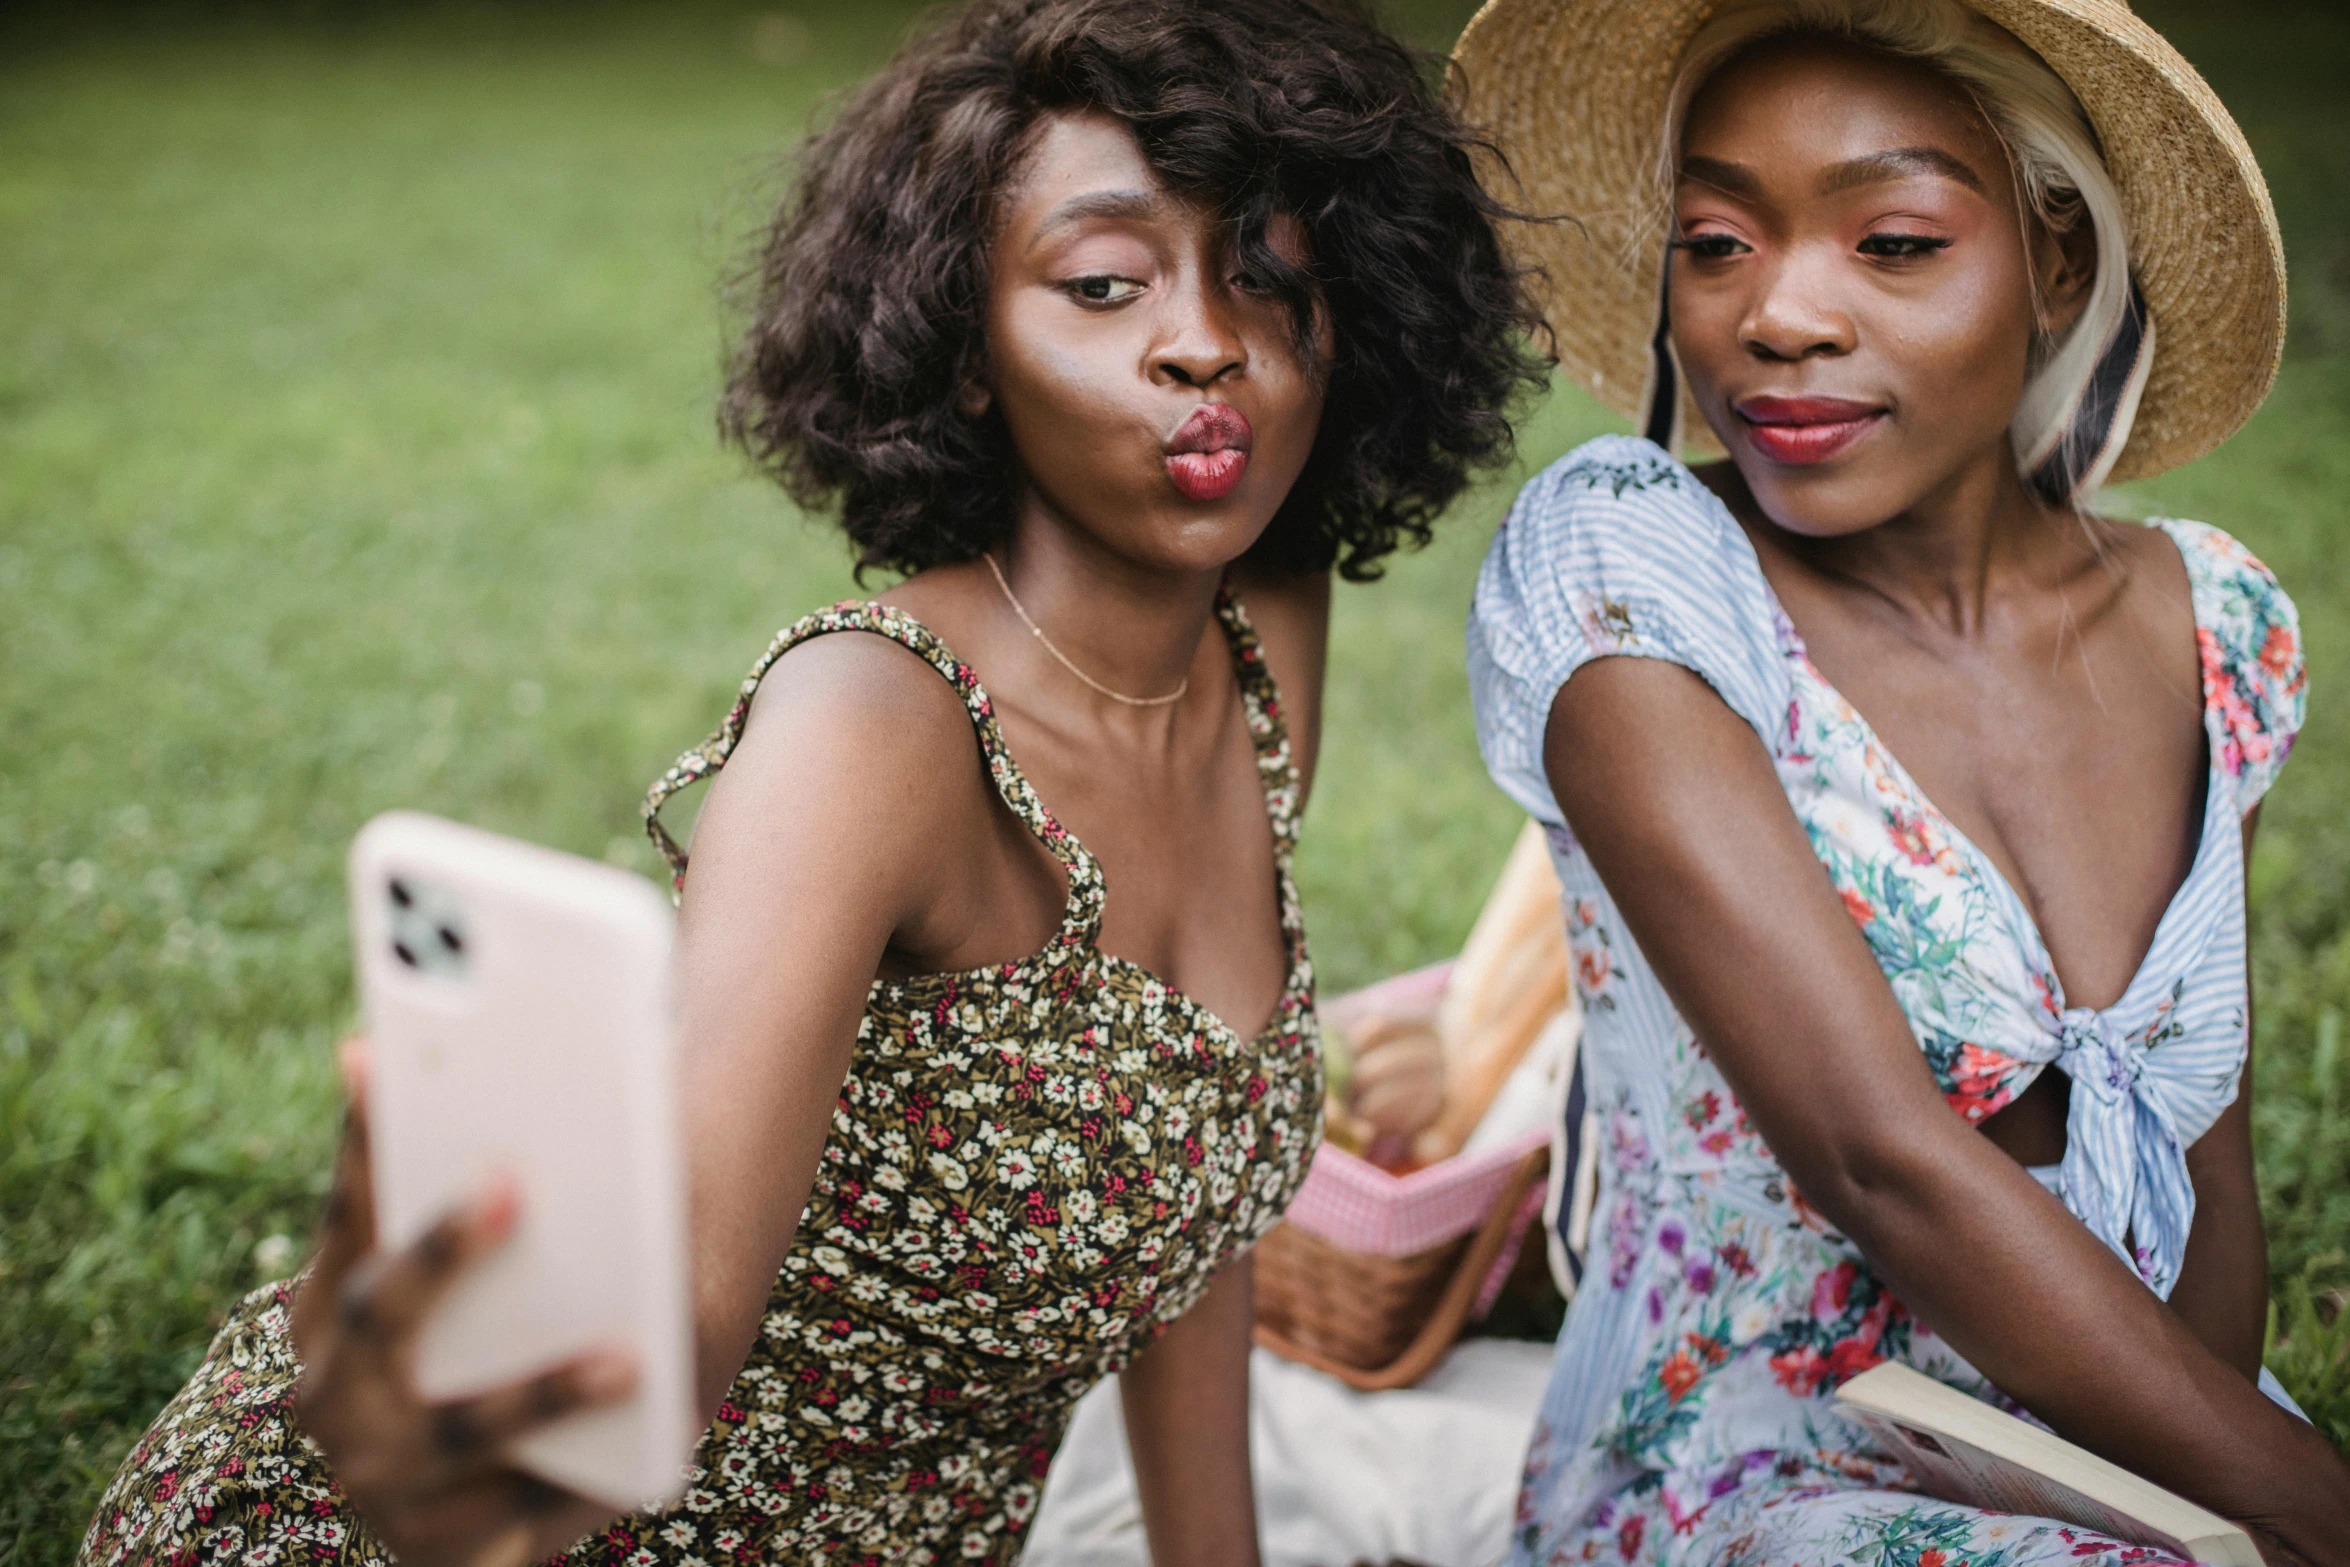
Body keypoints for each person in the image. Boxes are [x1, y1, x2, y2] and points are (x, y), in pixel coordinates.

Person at [78, 3, 1546, 1564]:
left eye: (1268, 277)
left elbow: (1181, 1226)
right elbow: (664, 1362)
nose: (1205, 339)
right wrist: (423, 1431)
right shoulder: (875, 720)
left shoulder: (1259, 641)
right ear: (965, 356)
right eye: (1103, 284)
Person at [1450, 0, 2350, 1561]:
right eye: (1714, 241)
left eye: (1894, 241)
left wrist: (2218, 1497)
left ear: (2054, 260)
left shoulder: (2218, 625)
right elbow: (1879, 1158)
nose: (1776, 315)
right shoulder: (1627, 566)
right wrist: (2302, 1507)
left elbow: (2202, 1162)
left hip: (2100, 1456)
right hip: (1746, 1470)